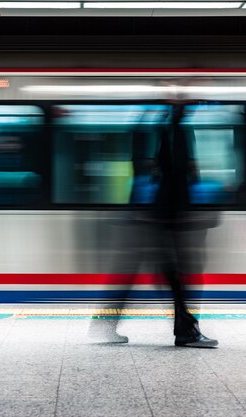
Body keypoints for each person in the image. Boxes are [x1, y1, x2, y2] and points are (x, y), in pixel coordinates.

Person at [88, 102, 218, 348]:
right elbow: (174, 169)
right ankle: (186, 332)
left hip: (145, 225)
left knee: (136, 278)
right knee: (175, 282)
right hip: (157, 226)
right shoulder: (164, 161)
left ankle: (103, 326)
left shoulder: (146, 163)